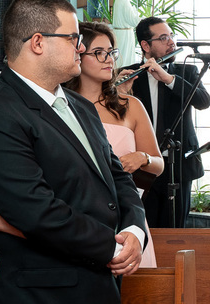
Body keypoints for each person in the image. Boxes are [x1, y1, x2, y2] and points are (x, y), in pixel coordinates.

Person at [0, 0, 147, 304]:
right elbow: (36, 210)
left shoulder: (81, 107)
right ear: (38, 42)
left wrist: (134, 229)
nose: (81, 47)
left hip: (97, 283)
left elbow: (117, 177)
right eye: (73, 38)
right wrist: (111, 246)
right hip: (43, 299)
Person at [65, 21, 163, 267]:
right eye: (99, 53)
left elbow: (159, 164)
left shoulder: (130, 105)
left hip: (128, 218)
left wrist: (143, 158)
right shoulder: (61, 106)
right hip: (78, 219)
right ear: (77, 54)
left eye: (111, 52)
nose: (108, 59)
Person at [129, 16, 210, 228]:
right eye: (163, 38)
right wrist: (120, 91)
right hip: (143, 164)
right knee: (145, 227)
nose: (171, 42)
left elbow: (203, 101)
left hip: (179, 163)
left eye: (171, 36)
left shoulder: (187, 71)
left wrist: (169, 79)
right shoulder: (131, 75)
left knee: (176, 230)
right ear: (145, 45)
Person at [111, 0, 140, 71]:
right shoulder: (124, 1)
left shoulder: (119, 0)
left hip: (122, 33)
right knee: (125, 60)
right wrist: (146, 19)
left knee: (123, 58)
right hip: (124, 35)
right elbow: (134, 21)